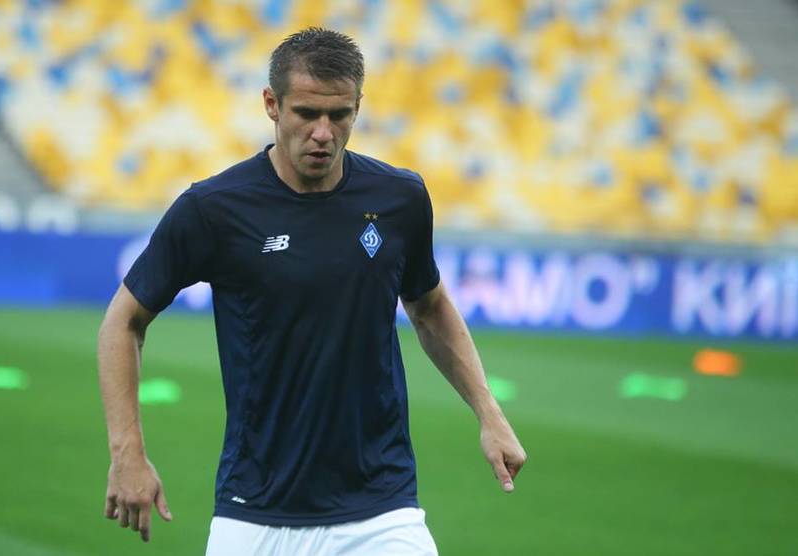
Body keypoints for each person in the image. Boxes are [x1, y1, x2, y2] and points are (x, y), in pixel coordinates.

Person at [98, 27, 527, 555]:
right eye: (306, 114)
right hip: (256, 511)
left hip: (382, 508)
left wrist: (489, 413)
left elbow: (430, 308)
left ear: (358, 107)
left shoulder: (399, 198)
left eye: (339, 115)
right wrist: (127, 453)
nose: (323, 132)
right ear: (271, 105)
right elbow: (123, 321)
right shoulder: (213, 209)